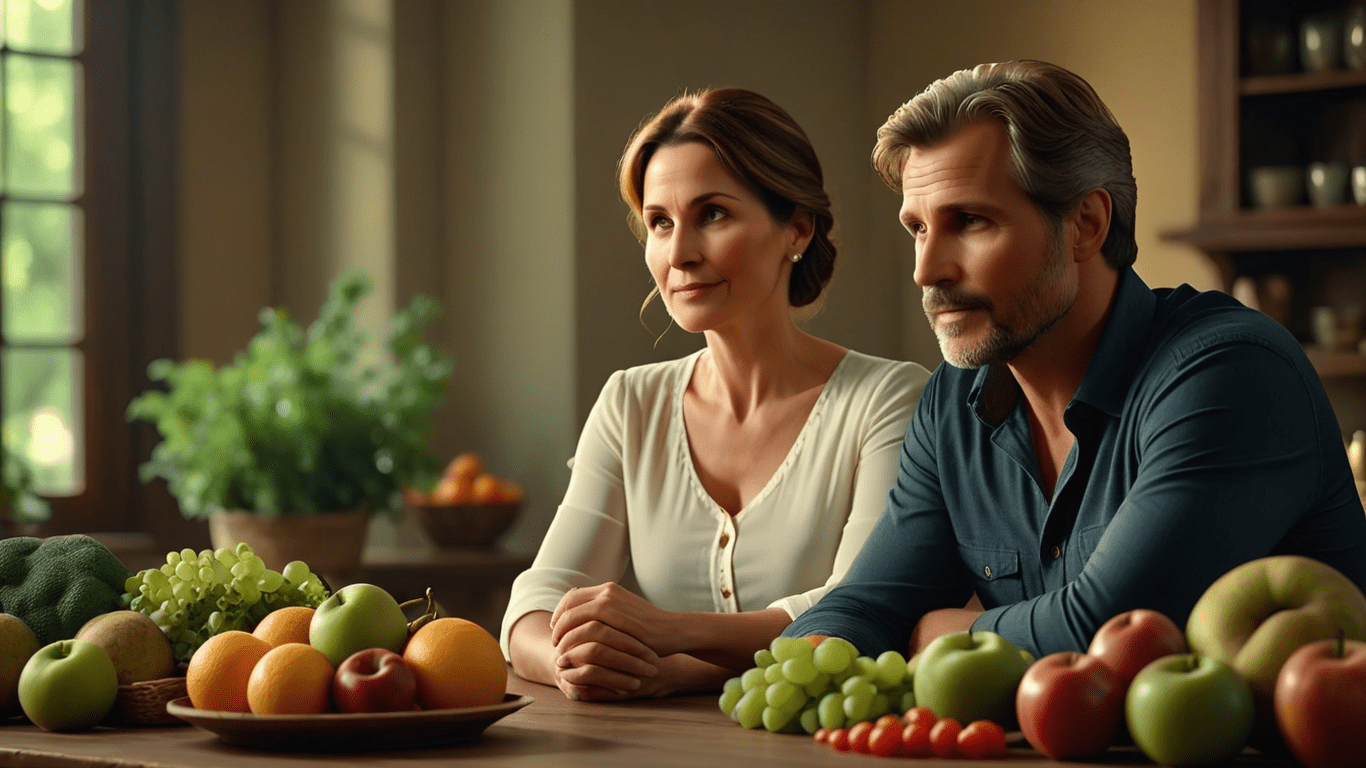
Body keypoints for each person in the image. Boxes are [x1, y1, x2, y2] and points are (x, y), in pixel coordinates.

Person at [783, 60, 1366, 660]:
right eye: (917, 228)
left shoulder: (1232, 373)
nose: (926, 270)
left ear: (1086, 224)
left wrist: (944, 632)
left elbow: (1114, 629)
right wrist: (827, 649)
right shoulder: (953, 405)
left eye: (971, 221)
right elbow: (861, 606)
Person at [501, 88, 931, 700]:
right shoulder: (631, 404)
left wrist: (671, 641)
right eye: (660, 223)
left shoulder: (888, 399)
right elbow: (536, 602)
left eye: (713, 215)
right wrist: (571, 663)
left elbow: (856, 607)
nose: (678, 253)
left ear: (796, 229)